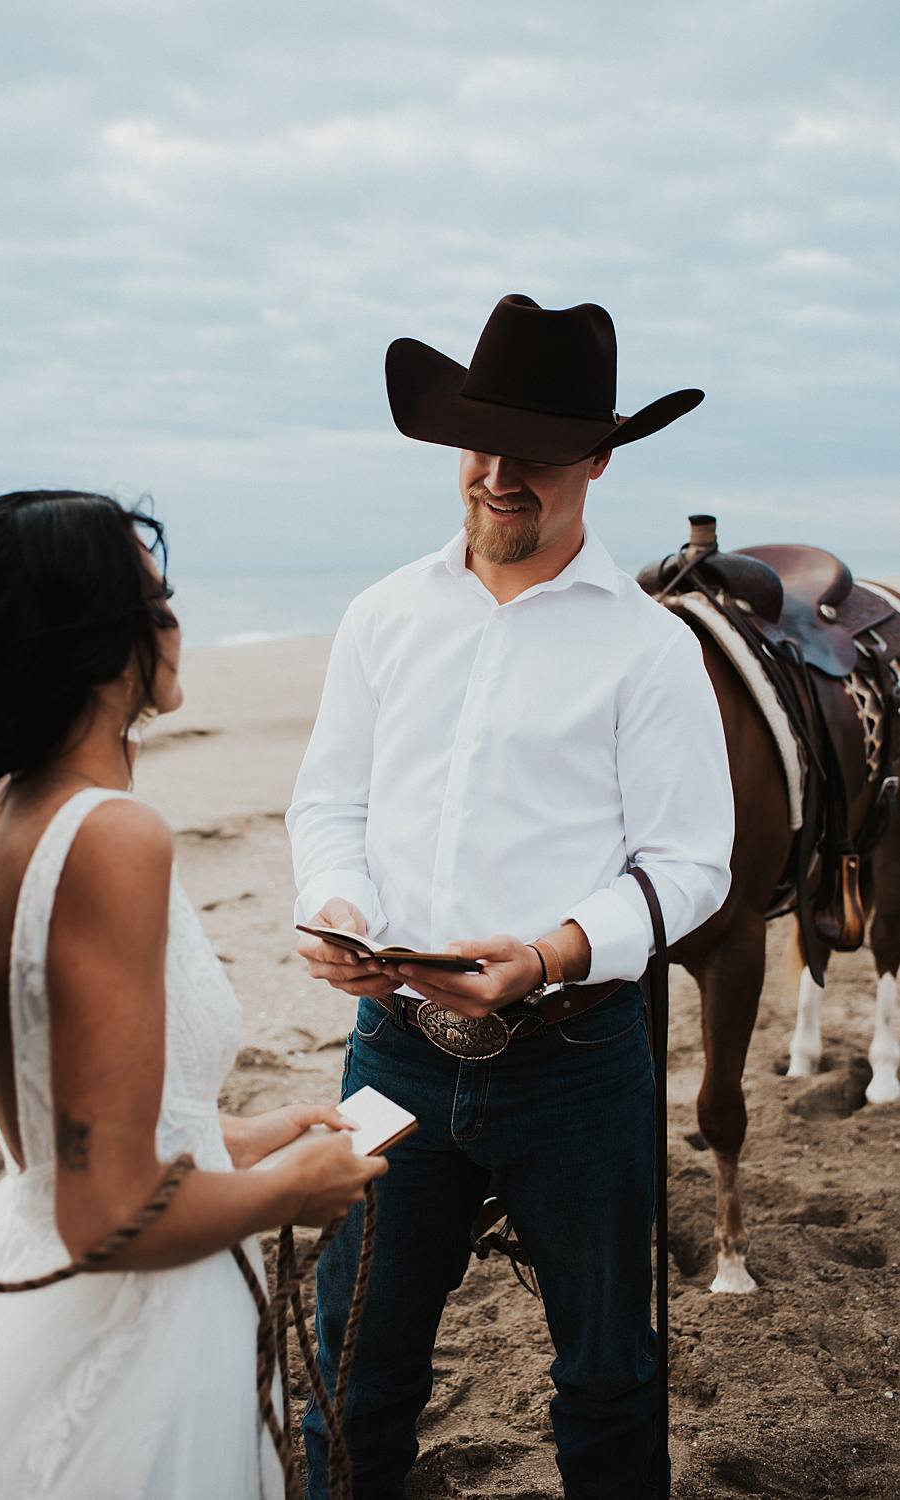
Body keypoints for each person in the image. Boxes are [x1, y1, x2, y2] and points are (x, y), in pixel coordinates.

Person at [290, 296, 736, 1499]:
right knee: (353, 1360)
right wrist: (334, 906)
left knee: (605, 1373)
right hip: (390, 1058)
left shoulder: (648, 651)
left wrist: (547, 954)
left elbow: (694, 864)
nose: (496, 475)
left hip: (576, 1064)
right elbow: (328, 803)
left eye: (533, 453)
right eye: (478, 445)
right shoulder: (383, 617)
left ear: (595, 461)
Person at [0, 489, 385, 1499]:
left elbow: (24, 1113)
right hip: (132, 1327)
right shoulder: (114, 838)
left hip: (20, 1282)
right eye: (156, 603)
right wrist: (295, 1190)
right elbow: (106, 1217)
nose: (174, 625)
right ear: (100, 642)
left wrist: (237, 1137)